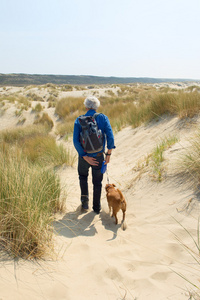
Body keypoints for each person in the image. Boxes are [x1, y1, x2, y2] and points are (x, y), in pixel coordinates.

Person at [73, 96, 115, 214]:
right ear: (97, 107)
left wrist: (84, 156)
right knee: (97, 182)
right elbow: (110, 136)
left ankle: (85, 203)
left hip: (84, 157)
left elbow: (76, 141)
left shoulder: (79, 120)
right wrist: (108, 154)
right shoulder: (103, 118)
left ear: (86, 106)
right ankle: (96, 208)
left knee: (83, 177)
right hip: (98, 156)